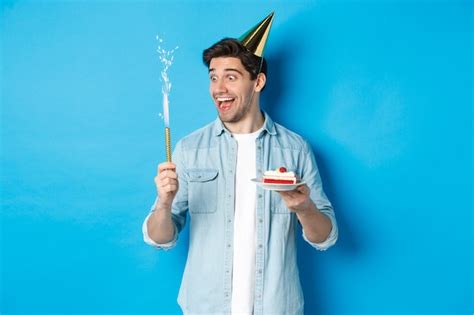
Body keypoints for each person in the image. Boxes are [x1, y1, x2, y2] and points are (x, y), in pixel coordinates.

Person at [142, 14, 337, 315]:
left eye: (231, 77)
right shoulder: (190, 149)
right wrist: (165, 204)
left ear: (258, 81)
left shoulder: (294, 148)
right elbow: (159, 238)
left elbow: (326, 237)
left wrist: (304, 208)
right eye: (213, 76)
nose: (219, 88)